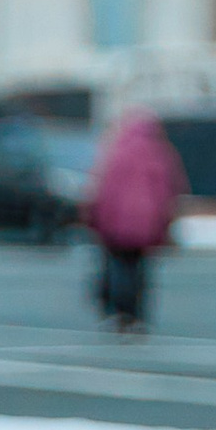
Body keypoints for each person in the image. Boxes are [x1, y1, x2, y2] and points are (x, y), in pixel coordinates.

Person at [84, 106, 185, 334]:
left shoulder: (117, 152)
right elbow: (170, 190)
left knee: (119, 266)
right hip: (147, 225)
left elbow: (104, 190)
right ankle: (137, 313)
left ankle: (121, 311)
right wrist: (165, 220)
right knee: (140, 269)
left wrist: (96, 219)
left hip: (117, 223)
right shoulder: (160, 153)